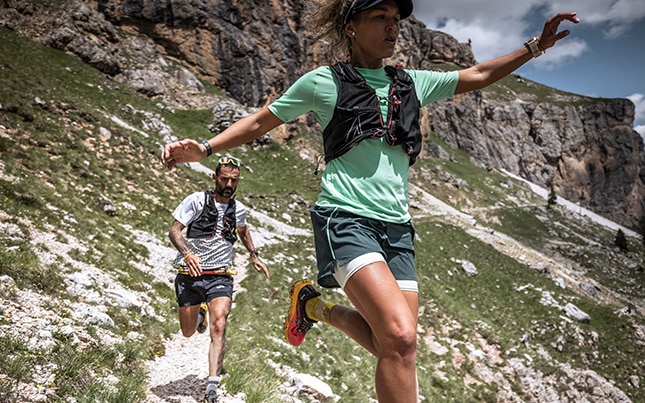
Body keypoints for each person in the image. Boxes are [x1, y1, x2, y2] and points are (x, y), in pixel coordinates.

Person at [161, 1, 579, 401]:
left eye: (396, 18)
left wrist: (535, 47)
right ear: (351, 28)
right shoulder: (323, 82)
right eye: (380, 17)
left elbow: (480, 73)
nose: (393, 27)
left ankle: (313, 308)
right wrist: (205, 148)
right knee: (399, 337)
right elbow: (260, 120)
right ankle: (315, 309)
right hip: (346, 220)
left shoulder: (412, 82)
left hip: (397, 229)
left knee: (396, 345)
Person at [167, 155, 269, 403]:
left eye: (234, 180)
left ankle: (212, 385)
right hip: (189, 275)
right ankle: (199, 312)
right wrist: (187, 253)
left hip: (220, 277)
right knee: (188, 332)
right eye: (224, 179)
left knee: (220, 324)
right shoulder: (196, 200)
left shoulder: (239, 209)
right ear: (214, 177)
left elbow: (243, 232)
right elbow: (174, 230)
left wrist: (254, 256)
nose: (229, 184)